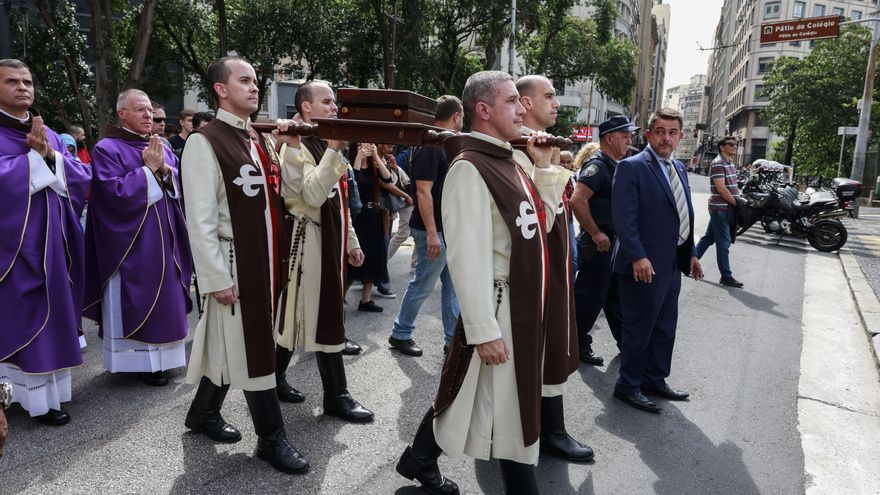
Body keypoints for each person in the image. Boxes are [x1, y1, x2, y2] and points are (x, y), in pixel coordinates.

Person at [396, 70, 568, 494]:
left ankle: (419, 457)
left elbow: (538, 228)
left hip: (521, 306)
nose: (521, 108)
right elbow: (467, 258)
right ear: (484, 110)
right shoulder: (470, 167)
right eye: (512, 101)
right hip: (498, 308)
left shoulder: (510, 160)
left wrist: (545, 169)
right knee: (506, 411)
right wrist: (482, 330)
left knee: (469, 390)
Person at [180, 56, 307, 474]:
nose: (254, 87)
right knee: (254, 350)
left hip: (263, 261)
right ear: (220, 89)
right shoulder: (205, 141)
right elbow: (198, 220)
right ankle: (272, 440)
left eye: (255, 81)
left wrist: (290, 150)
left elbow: (284, 197)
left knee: (229, 341)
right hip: (235, 263)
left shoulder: (257, 138)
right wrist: (215, 277)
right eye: (245, 81)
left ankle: (202, 413)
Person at [272, 80, 374, 423]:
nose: (335, 107)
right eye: (327, 102)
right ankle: (336, 396)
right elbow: (313, 197)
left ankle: (274, 378)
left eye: (335, 102)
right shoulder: (295, 147)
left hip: (327, 240)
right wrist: (333, 150)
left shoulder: (325, 146)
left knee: (311, 315)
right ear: (305, 108)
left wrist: (352, 242)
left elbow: (338, 203)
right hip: (306, 244)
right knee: (315, 317)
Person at [0, 58, 91, 426]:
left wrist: (50, 154)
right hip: (12, 247)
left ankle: (45, 399)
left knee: (51, 313)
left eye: (27, 81)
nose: (23, 87)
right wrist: (31, 162)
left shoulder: (48, 133)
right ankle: (18, 396)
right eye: (11, 81)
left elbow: (82, 177)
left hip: (54, 245)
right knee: (21, 315)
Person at [82, 89, 193, 386]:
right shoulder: (107, 148)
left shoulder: (160, 145)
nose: (149, 116)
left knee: (166, 299)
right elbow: (113, 193)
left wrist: (165, 170)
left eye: (151, 111)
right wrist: (148, 170)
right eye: (141, 110)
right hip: (131, 245)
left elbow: (178, 183)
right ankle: (139, 362)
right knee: (137, 298)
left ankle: (163, 360)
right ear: (122, 114)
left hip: (165, 241)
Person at [515, 74, 593, 463]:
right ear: (525, 103)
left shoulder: (538, 148)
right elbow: (535, 218)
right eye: (548, 96)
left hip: (554, 267)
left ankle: (547, 429)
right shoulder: (517, 152)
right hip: (533, 272)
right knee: (538, 349)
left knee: (552, 347)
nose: (556, 103)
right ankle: (548, 432)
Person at [611, 107, 703, 414]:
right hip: (643, 265)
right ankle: (628, 386)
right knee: (639, 328)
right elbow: (624, 220)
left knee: (665, 327)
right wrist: (637, 256)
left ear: (680, 136)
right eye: (660, 132)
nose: (666, 138)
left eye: (672, 132)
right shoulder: (632, 167)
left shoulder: (678, 168)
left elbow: (683, 214)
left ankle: (654, 378)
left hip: (671, 263)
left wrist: (690, 254)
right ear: (649, 135)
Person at [387, 95, 463, 357]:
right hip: (434, 228)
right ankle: (401, 333)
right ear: (456, 116)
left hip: (445, 228)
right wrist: (432, 234)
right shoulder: (432, 144)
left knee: (453, 287)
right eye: (462, 116)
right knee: (422, 284)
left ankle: (452, 340)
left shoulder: (440, 142)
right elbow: (423, 192)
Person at [570, 116, 638, 365]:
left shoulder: (615, 164)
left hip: (613, 245)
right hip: (599, 244)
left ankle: (626, 342)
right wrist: (596, 233)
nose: (629, 141)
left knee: (614, 297)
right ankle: (575, 344)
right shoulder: (597, 165)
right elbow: (577, 199)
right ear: (609, 138)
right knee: (589, 297)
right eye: (625, 136)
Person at [347, 142, 398, 312]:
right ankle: (340, 297)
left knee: (374, 257)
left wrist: (376, 156)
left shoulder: (374, 164)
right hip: (358, 216)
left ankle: (366, 300)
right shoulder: (350, 163)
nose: (366, 147)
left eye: (369, 144)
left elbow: (388, 178)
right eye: (362, 144)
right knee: (354, 258)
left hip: (374, 214)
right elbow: (351, 185)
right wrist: (358, 159)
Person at [695, 137, 743, 288]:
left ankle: (687, 262)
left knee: (708, 238)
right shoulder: (718, 163)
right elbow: (721, 189)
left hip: (724, 207)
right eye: (730, 145)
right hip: (720, 207)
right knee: (723, 242)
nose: (734, 147)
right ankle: (726, 276)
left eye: (736, 145)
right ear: (722, 147)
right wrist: (737, 204)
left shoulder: (729, 163)